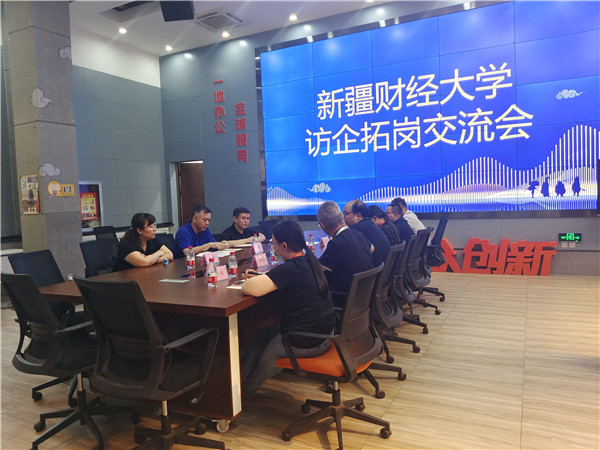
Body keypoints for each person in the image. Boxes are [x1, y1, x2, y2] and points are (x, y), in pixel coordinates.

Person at [240, 221, 335, 397]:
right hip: (325, 332)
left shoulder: (291, 268)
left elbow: (248, 289)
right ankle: (240, 380)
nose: (272, 247)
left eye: (274, 243)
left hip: (306, 340)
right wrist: (264, 277)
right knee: (262, 334)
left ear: (284, 246)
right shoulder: (309, 259)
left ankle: (244, 394)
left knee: (267, 359)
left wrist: (256, 280)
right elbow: (283, 278)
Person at [317, 201, 373, 307]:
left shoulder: (336, 243)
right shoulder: (358, 234)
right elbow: (372, 249)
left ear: (323, 225)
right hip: (364, 295)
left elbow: (318, 271)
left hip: (345, 299)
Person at [342, 199, 390, 266]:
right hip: (383, 268)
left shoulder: (356, 228)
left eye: (345, 213)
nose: (343, 216)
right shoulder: (369, 224)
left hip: (374, 269)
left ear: (358, 215)